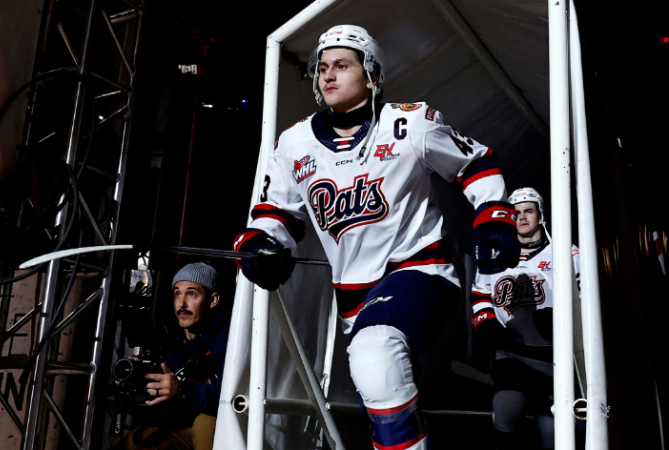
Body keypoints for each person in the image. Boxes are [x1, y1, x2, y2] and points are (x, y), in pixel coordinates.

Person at [232, 24, 519, 450]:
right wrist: (260, 244)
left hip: (421, 268)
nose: (328, 75)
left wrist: (494, 214)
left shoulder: (409, 123)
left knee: (375, 352)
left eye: (342, 66)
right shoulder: (293, 143)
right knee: (380, 386)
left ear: (372, 76)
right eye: (322, 68)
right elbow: (276, 213)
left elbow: (473, 163)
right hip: (354, 295)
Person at [469, 187, 580, 449]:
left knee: (554, 432)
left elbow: (586, 295)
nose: (521, 217)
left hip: (557, 359)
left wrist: (567, 320)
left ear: (541, 217)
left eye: (528, 211)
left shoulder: (568, 253)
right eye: (516, 213)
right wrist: (486, 323)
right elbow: (480, 294)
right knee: (507, 409)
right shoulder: (493, 256)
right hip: (512, 355)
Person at [121, 262, 231, 450]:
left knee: (205, 424)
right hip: (180, 421)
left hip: (217, 420)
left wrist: (181, 390)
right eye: (177, 294)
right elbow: (151, 404)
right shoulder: (168, 334)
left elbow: (227, 396)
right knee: (135, 441)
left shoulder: (228, 333)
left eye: (192, 294)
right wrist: (137, 382)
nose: (182, 304)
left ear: (212, 300)